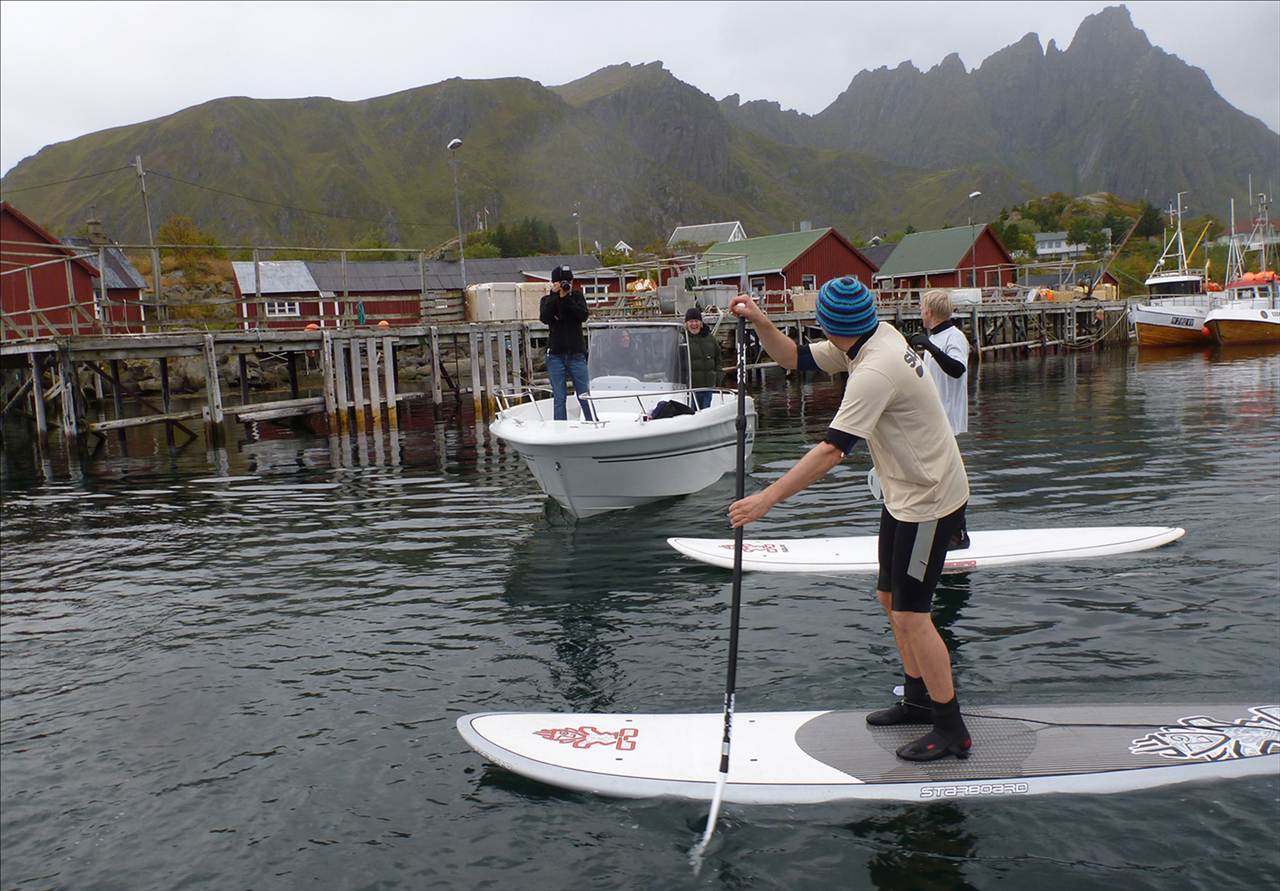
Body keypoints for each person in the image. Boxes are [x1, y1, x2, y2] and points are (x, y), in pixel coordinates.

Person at [726, 276, 973, 762]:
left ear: (827, 323)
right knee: (889, 596)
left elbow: (831, 450)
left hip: (931, 500)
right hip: (904, 493)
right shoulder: (871, 337)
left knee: (912, 614)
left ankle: (951, 727)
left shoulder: (874, 369)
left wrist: (766, 500)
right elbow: (794, 359)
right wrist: (759, 320)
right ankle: (918, 699)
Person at [908, 289, 971, 550]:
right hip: (933, 421)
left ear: (929, 312)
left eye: (922, 308)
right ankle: (941, 529)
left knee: (947, 479)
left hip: (948, 421)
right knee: (936, 478)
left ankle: (958, 534)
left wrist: (930, 347)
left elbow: (957, 369)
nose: (920, 312)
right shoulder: (937, 337)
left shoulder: (953, 337)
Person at [539, 265, 594, 421]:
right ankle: (560, 428)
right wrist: (555, 296)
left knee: (584, 395)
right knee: (559, 397)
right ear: (554, 282)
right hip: (555, 356)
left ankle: (592, 424)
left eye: (568, 281)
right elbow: (545, 317)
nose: (566, 284)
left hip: (577, 355)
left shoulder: (577, 297)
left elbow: (583, 316)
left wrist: (566, 298)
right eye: (562, 282)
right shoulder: (547, 300)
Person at [684, 307, 721, 409]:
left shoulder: (710, 339)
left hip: (707, 387)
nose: (694, 324)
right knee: (691, 414)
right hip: (691, 389)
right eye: (691, 321)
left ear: (701, 323)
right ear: (686, 323)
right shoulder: (682, 339)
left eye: (696, 321)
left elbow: (718, 359)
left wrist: (718, 378)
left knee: (706, 413)